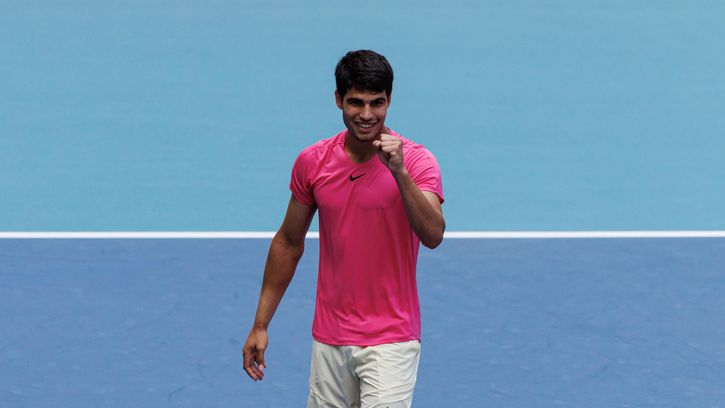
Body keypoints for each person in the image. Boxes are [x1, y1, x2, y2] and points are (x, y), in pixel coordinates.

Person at [242, 49, 445, 408]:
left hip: (392, 340)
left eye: (376, 103)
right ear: (338, 99)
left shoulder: (416, 161)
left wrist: (399, 172)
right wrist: (261, 324)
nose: (366, 115)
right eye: (356, 103)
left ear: (389, 100)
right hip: (330, 338)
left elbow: (433, 235)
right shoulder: (313, 163)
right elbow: (288, 242)